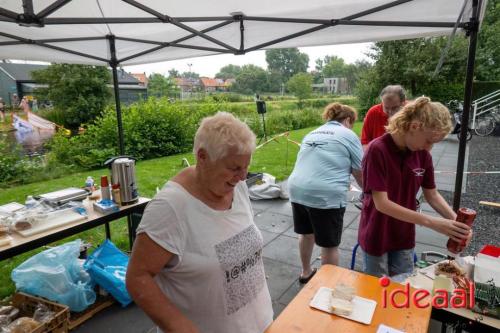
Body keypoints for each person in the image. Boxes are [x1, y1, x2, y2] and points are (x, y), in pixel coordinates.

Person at [126, 112, 273, 333]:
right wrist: (179, 327)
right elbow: (138, 277)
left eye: (246, 167)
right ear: (202, 157)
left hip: (263, 323)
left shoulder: (236, 186)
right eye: (234, 168)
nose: (243, 177)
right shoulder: (170, 208)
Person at [358, 97, 472, 277]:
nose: (430, 148)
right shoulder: (377, 150)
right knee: (377, 290)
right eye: (429, 141)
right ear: (414, 127)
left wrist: (458, 223)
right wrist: (433, 222)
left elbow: (432, 195)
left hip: (404, 235)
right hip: (377, 233)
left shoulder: (422, 155)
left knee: (405, 285)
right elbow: (382, 204)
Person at [288, 103, 363, 283]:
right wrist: (369, 194)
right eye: (352, 123)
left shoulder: (312, 133)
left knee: (306, 234)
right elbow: (360, 170)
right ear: (347, 120)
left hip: (297, 188)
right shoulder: (348, 135)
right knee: (329, 245)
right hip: (325, 194)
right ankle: (328, 286)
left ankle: (306, 272)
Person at [361, 85, 406, 152]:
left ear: (403, 103)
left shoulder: (410, 112)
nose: (390, 112)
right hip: (378, 155)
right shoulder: (373, 112)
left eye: (394, 108)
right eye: (386, 108)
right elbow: (365, 141)